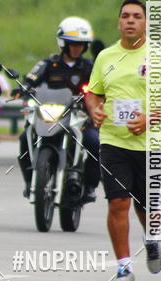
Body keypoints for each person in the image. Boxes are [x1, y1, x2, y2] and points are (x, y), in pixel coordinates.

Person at [84, 0, 161, 281]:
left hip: (150, 144)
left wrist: (149, 119)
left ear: (145, 23)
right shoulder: (106, 57)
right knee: (118, 202)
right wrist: (93, 108)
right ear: (119, 22)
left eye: (137, 16)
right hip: (113, 142)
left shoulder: (159, 57)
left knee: (146, 207)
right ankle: (124, 269)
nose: (131, 20)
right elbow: (92, 92)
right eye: (126, 16)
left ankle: (152, 239)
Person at [14, 16, 100, 202]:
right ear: (63, 43)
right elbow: (31, 78)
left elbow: (101, 86)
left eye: (81, 44)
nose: (77, 48)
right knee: (24, 137)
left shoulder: (90, 67)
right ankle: (31, 181)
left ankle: (91, 186)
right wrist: (23, 87)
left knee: (94, 142)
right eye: (72, 44)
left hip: (80, 116)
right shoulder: (49, 64)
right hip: (52, 115)